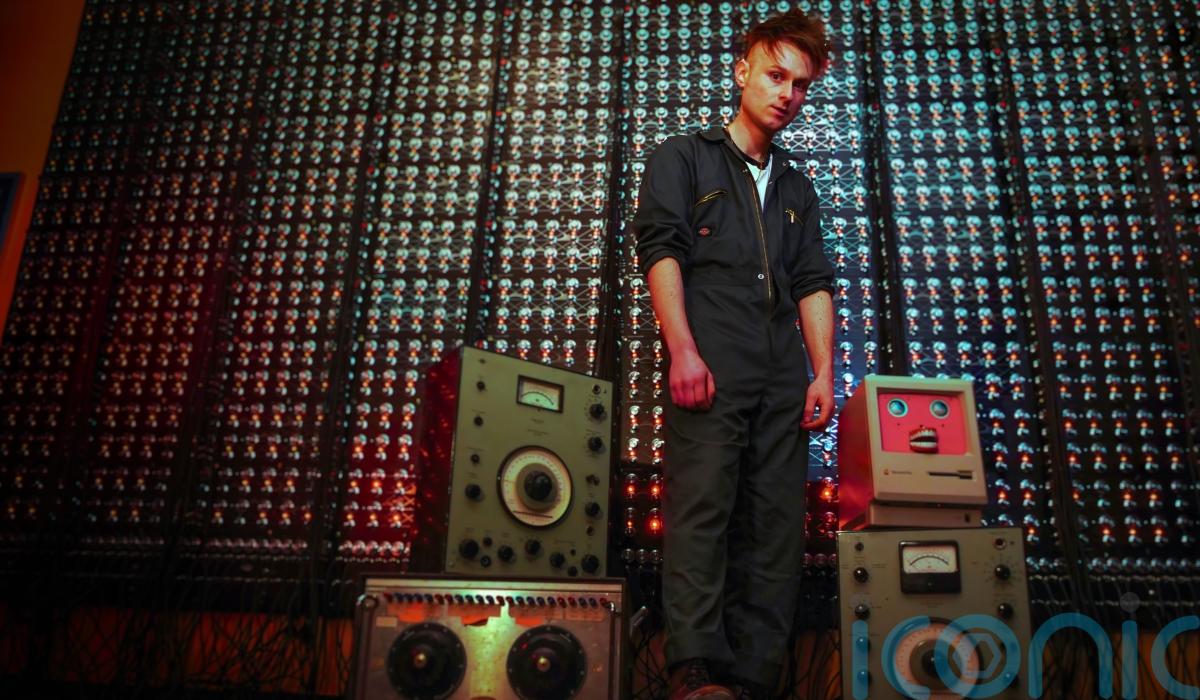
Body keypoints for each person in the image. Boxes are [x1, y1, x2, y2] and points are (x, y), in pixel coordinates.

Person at [632, 8, 836, 700]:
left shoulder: (798, 187)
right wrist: (682, 350)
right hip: (713, 361)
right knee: (701, 511)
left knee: (777, 527)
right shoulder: (684, 158)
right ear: (743, 70)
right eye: (776, 75)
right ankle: (694, 670)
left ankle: (754, 678)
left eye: (801, 85)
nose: (788, 94)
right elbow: (661, 251)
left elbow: (813, 281)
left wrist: (823, 371)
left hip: (783, 374)